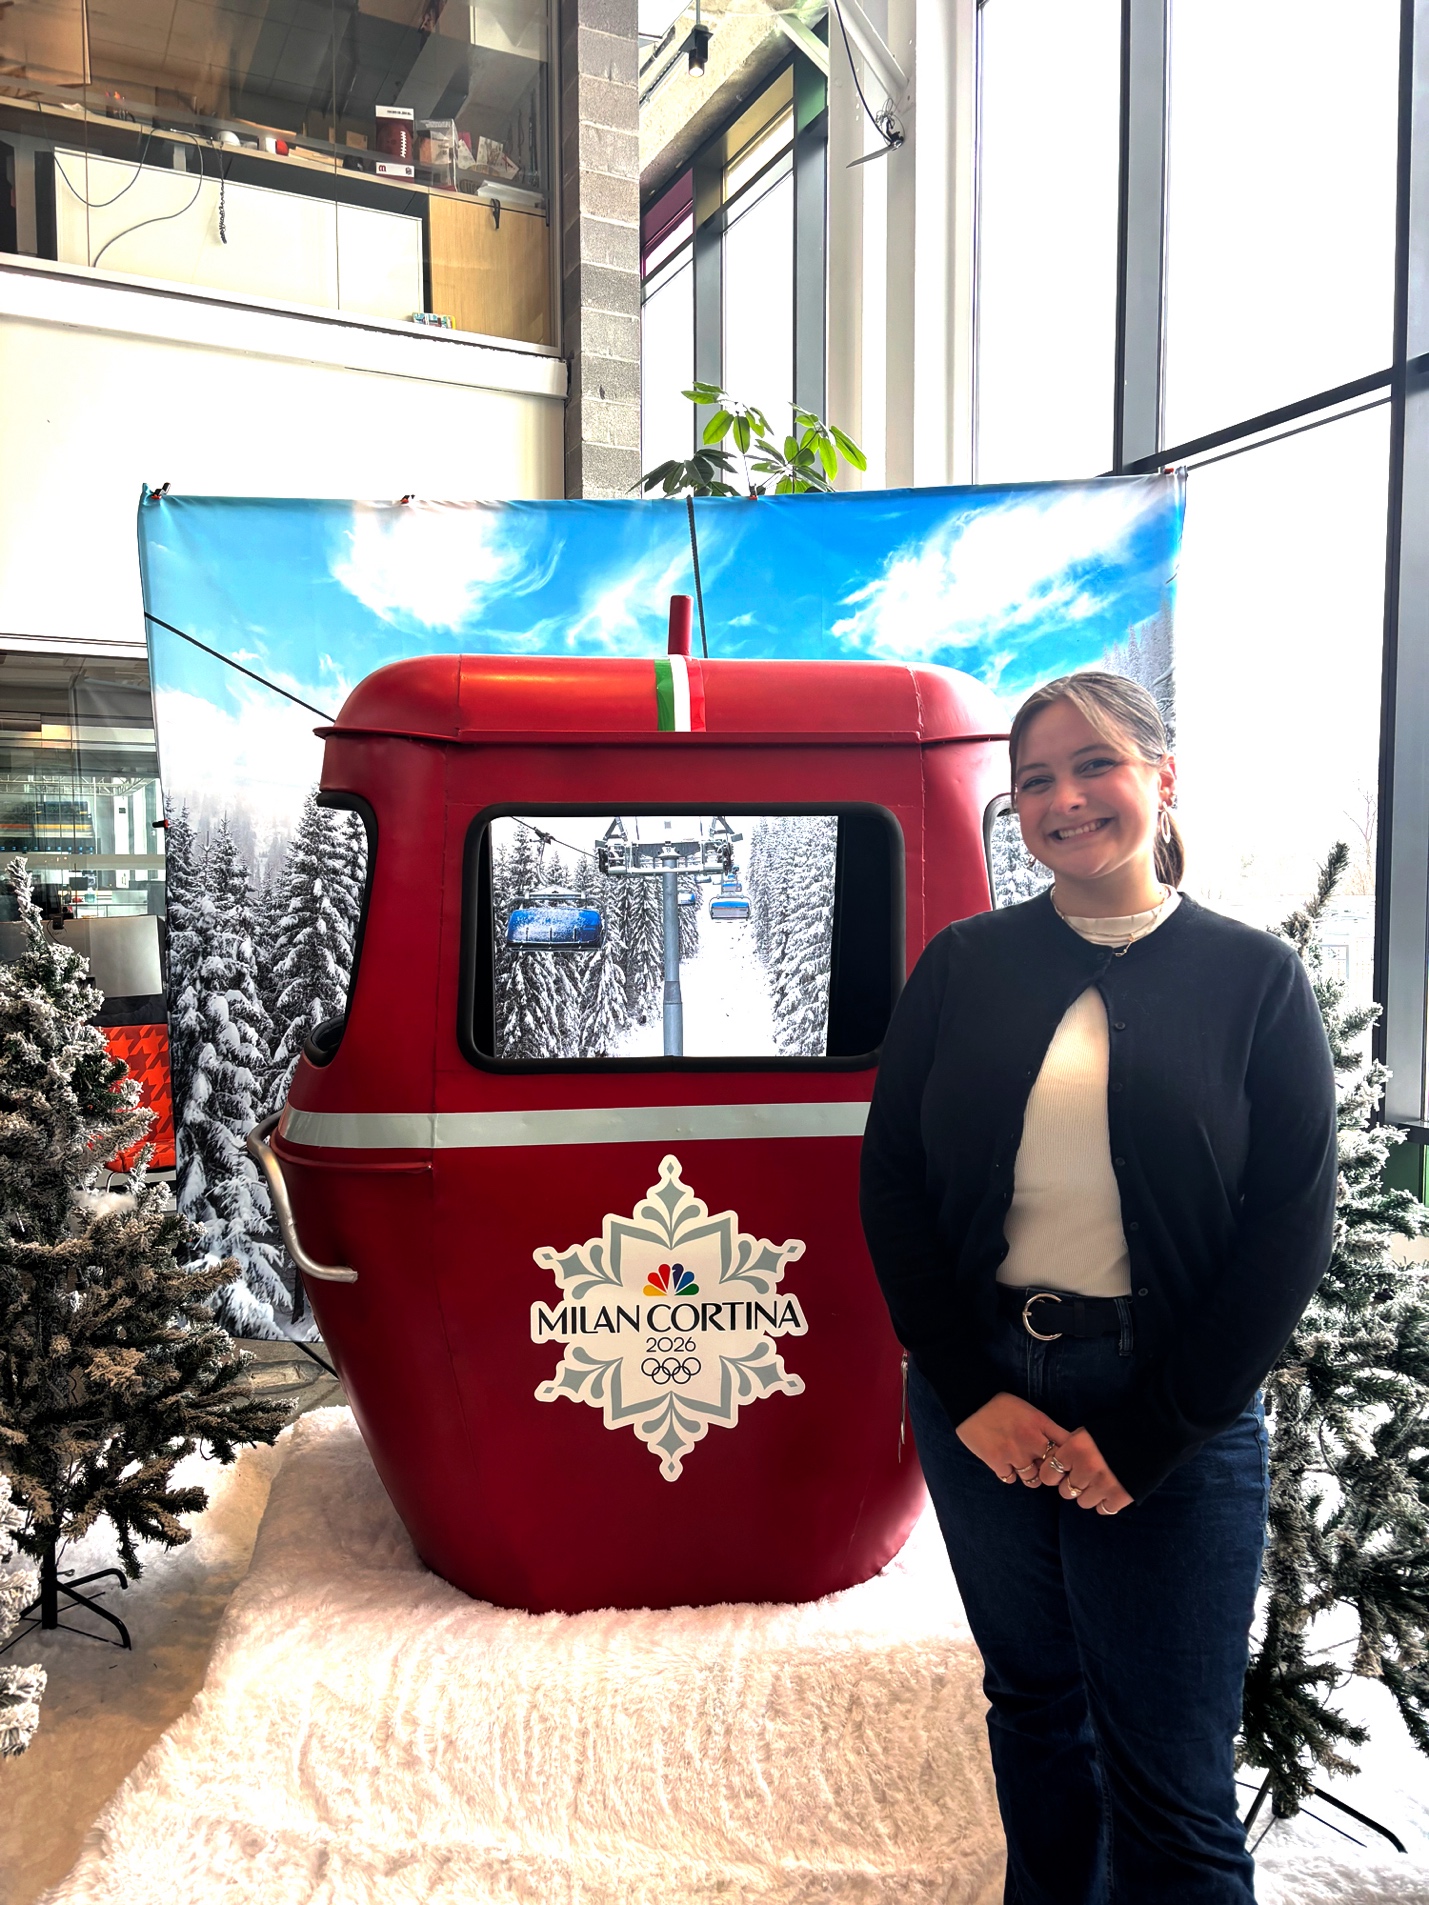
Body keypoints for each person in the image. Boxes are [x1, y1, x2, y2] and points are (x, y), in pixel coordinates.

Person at [859, 672, 1336, 1904]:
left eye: (1095, 766)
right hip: (983, 1400)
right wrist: (964, 1392)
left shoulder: (1253, 981)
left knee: (1172, 1783)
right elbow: (894, 1184)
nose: (1064, 799)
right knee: (1033, 1712)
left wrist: (1150, 1431)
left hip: (1168, 1404)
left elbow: (1289, 1225)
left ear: (1160, 778)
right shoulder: (962, 967)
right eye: (1034, 781)